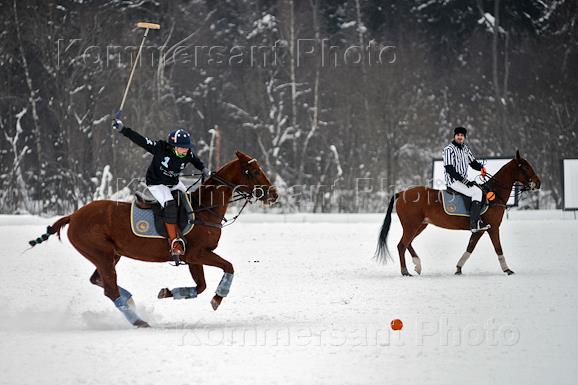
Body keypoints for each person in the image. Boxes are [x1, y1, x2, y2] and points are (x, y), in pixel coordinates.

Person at [112, 118, 210, 260]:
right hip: (156, 183)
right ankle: (174, 242)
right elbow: (141, 140)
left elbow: (195, 159)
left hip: (174, 183)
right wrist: (123, 129)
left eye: (186, 147)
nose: (185, 150)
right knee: (170, 205)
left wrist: (203, 168)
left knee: (189, 201)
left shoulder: (187, 153)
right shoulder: (160, 148)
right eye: (181, 148)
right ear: (172, 146)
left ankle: (189, 232)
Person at [443, 126, 489, 233]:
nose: (460, 137)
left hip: (462, 180)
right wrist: (464, 181)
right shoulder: (448, 149)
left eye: (462, 135)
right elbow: (449, 169)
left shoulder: (465, 149)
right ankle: (474, 224)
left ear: (464, 137)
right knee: (477, 192)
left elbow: (473, 163)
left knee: (479, 189)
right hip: (453, 181)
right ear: (454, 136)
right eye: (458, 135)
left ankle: (475, 220)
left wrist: (481, 168)